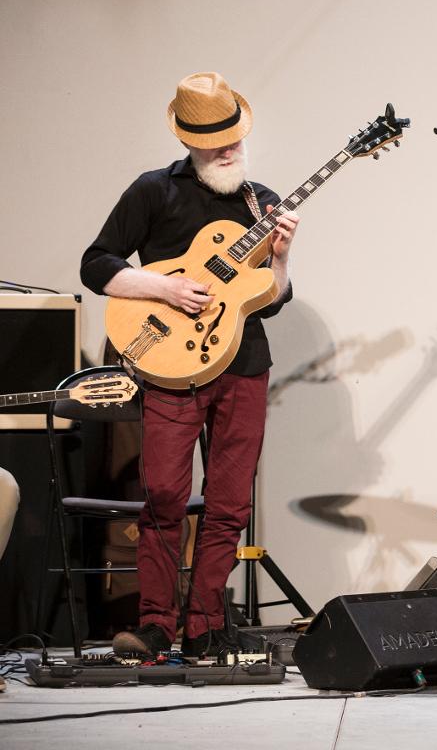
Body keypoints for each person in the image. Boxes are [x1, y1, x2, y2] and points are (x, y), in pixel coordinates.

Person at [81, 72, 299, 659]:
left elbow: (274, 300)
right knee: (164, 498)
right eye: (215, 139)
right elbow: (95, 264)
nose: (229, 148)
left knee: (230, 505)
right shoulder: (153, 191)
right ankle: (155, 624)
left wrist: (280, 261)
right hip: (172, 368)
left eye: (234, 135)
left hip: (244, 366)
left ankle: (204, 624)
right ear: (188, 140)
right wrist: (165, 289)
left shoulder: (263, 202)